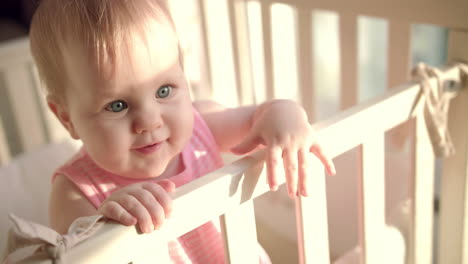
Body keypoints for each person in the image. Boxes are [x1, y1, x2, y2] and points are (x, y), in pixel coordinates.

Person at [29, 0, 336, 262]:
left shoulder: (201, 124)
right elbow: (76, 255)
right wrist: (106, 224)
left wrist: (286, 115)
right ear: (67, 118)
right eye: (117, 105)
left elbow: (261, 116)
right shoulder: (74, 191)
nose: (149, 122)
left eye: (164, 90)